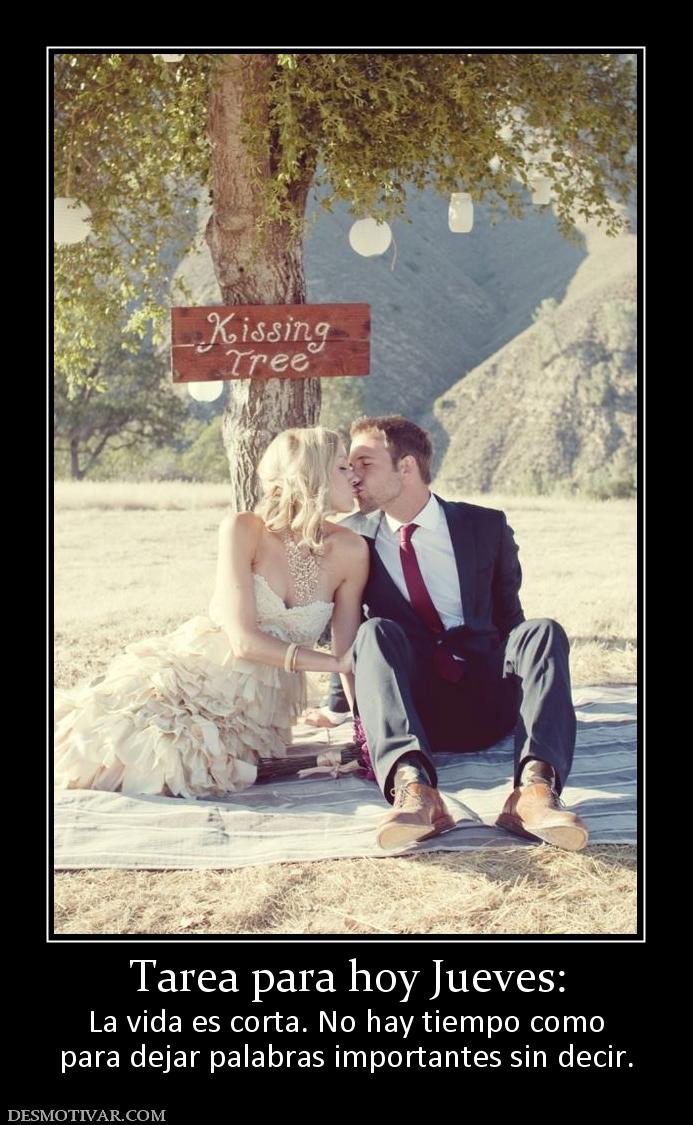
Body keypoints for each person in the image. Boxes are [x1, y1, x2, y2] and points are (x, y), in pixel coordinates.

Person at [311, 415, 588, 852]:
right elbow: (351, 630)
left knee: (542, 632)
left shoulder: (485, 526)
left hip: (488, 701)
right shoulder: (353, 537)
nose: (354, 476)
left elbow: (509, 618)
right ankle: (415, 791)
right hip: (414, 710)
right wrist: (337, 706)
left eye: (365, 463)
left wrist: (531, 673)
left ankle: (535, 791)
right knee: (376, 630)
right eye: (350, 466)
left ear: (406, 467)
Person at [54, 427, 369, 799]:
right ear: (310, 474)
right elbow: (244, 641)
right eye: (342, 467)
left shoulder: (352, 549)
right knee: (125, 752)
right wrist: (334, 663)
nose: (354, 477)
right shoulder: (244, 529)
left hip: (258, 714)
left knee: (206, 770)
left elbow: (349, 656)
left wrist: (366, 736)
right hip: (193, 683)